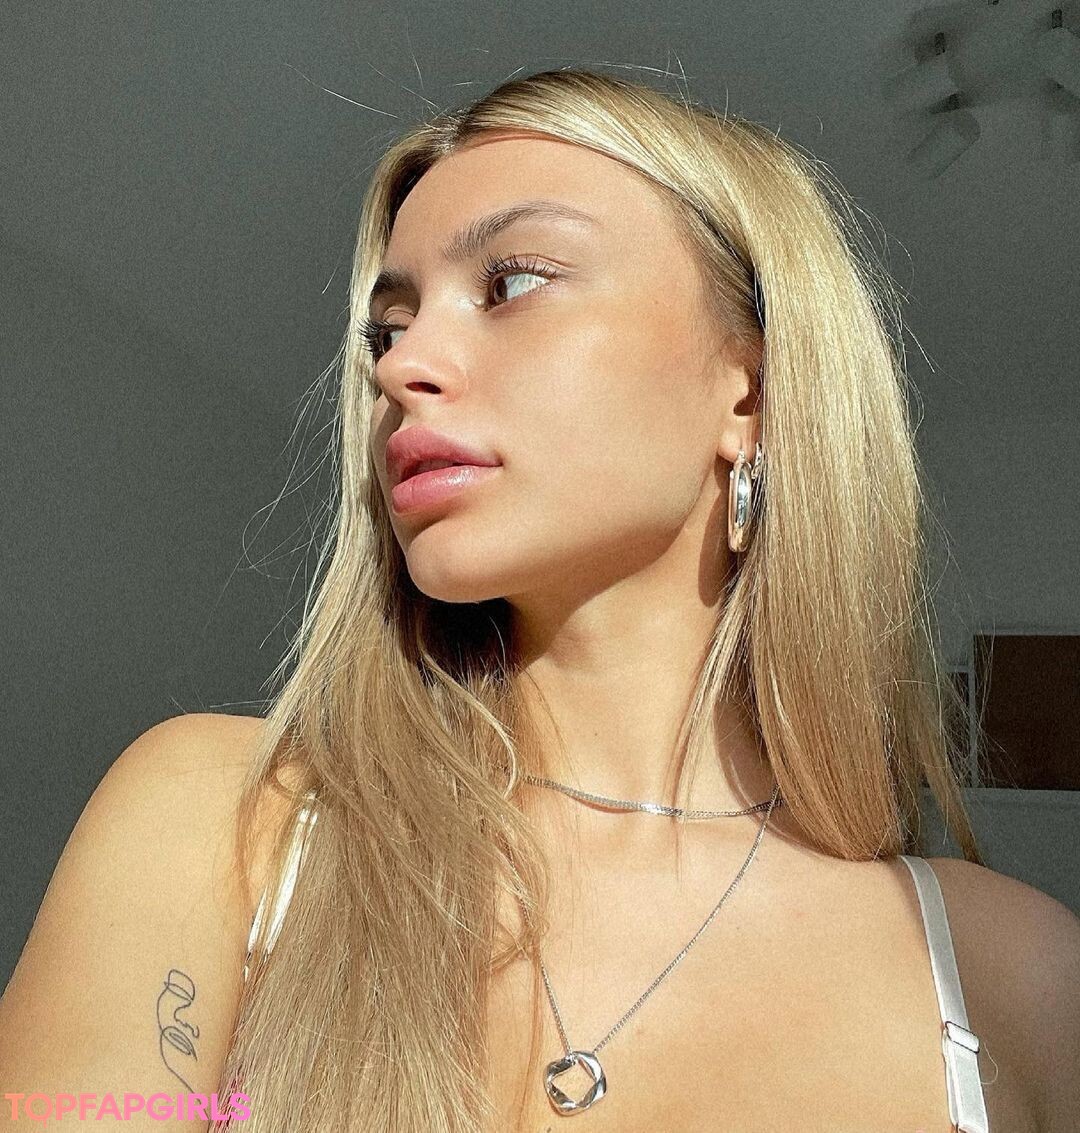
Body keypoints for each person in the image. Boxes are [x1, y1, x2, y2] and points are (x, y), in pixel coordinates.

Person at [1, 67, 1078, 1133]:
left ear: (746, 391)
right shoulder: (226, 827)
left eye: (512, 283)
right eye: (388, 328)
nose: (402, 367)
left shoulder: (1012, 981)